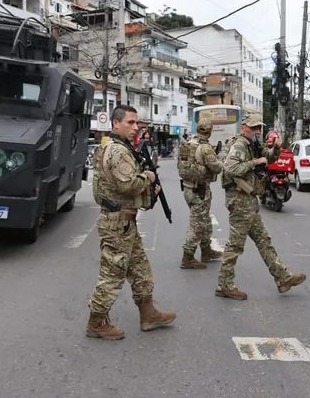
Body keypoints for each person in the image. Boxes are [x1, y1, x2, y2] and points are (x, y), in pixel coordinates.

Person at [87, 105, 176, 340]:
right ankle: (96, 322)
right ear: (116, 124)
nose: (136, 127)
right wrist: (148, 177)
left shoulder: (118, 148)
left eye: (137, 123)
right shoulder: (117, 151)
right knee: (113, 274)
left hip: (125, 222)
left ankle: (148, 314)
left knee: (140, 270)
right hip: (117, 223)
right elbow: (128, 185)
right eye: (130, 122)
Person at [216, 113, 307, 300]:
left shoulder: (253, 144)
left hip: (249, 200)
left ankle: (283, 278)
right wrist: (255, 162)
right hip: (240, 201)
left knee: (264, 241)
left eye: (259, 127)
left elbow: (270, 159)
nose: (257, 130)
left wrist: (276, 148)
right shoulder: (240, 145)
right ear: (243, 128)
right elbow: (230, 168)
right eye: (253, 127)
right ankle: (224, 285)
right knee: (235, 245)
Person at [178, 119, 224, 268]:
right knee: (197, 224)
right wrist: (220, 158)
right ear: (209, 132)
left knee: (204, 220)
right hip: (200, 191)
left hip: (187, 188)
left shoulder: (187, 144)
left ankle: (206, 251)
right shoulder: (205, 148)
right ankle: (188, 257)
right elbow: (217, 168)